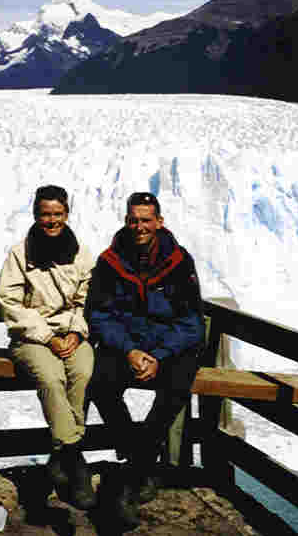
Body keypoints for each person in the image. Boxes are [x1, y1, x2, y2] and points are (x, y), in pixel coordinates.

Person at [86, 192, 205, 528]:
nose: (140, 226)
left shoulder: (180, 262)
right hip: (129, 348)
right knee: (99, 382)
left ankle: (133, 470)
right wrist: (129, 351)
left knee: (176, 390)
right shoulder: (110, 261)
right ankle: (142, 463)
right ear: (127, 221)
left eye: (146, 220)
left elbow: (191, 322)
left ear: (159, 222)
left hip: (168, 350)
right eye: (134, 219)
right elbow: (100, 315)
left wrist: (159, 355)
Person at [0, 185, 97, 509]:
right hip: (32, 337)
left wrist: (76, 334)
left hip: (71, 335)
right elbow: (10, 302)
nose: (51, 220)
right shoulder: (19, 253)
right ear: (36, 215)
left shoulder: (80, 253)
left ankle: (59, 459)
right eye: (45, 214)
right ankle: (74, 457)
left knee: (82, 373)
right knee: (52, 379)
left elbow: (89, 300)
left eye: (57, 214)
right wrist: (47, 336)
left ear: (66, 214)